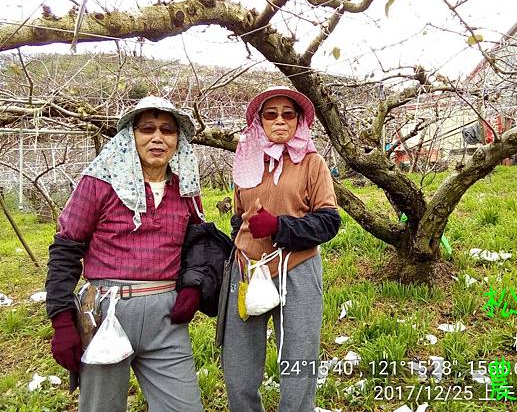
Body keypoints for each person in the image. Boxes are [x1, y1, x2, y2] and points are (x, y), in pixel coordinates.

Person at [45, 96, 212, 412]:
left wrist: (193, 286)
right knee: (102, 407)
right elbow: (66, 248)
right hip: (107, 312)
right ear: (131, 136)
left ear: (179, 140)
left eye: (167, 130)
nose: (158, 137)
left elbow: (198, 243)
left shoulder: (185, 187)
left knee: (185, 406)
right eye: (147, 129)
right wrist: (61, 320)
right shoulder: (99, 183)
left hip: (166, 317)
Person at [221, 86, 341, 411]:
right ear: (259, 121)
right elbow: (237, 217)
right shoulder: (246, 161)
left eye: (288, 114)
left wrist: (278, 227)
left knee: (298, 360)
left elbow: (329, 222)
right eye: (270, 114)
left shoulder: (312, 164)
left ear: (299, 120)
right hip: (246, 270)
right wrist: (245, 238)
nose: (279, 120)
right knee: (238, 365)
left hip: (297, 269)